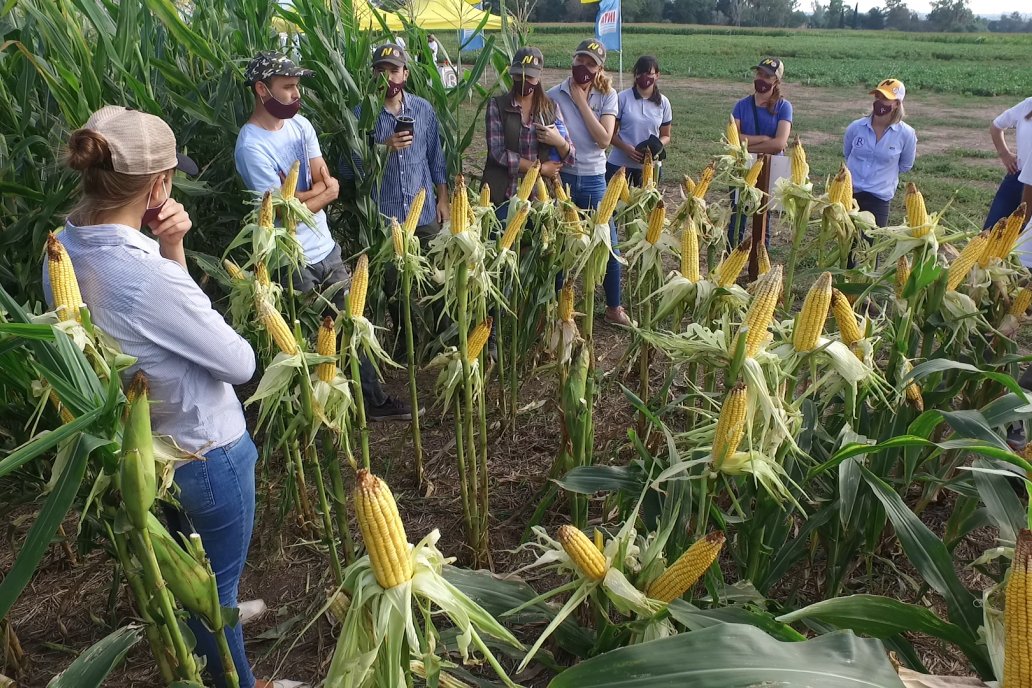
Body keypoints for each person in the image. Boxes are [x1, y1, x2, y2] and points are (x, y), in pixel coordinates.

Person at [45, 106, 305, 688]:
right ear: (159, 185)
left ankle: (214, 625)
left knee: (190, 575)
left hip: (147, 456)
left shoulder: (61, 247)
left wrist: (171, 244)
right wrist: (171, 258)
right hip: (207, 453)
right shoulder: (146, 276)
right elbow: (239, 362)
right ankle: (238, 673)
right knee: (214, 589)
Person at [235, 50, 412, 421]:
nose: (296, 93)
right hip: (291, 260)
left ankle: (372, 401)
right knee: (310, 337)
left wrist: (305, 195)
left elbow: (323, 178)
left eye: (297, 85)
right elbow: (280, 213)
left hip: (326, 249)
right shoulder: (251, 146)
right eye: (288, 86)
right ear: (262, 90)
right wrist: (320, 195)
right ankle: (316, 412)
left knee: (353, 324)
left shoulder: (301, 125)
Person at [350, 42, 449, 344]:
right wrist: (384, 148)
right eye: (381, 71)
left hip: (425, 212)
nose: (388, 77)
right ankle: (407, 342)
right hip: (387, 219)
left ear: (405, 73)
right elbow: (349, 167)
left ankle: (441, 339)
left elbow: (436, 157)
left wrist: (443, 198)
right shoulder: (361, 115)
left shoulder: (423, 109)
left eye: (394, 70)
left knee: (436, 278)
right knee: (395, 287)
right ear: (373, 76)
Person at [547, 39, 630, 327]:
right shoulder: (553, 95)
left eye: (590, 63)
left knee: (609, 245)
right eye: (580, 60)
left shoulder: (608, 96)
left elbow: (604, 139)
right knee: (560, 245)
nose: (583, 67)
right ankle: (557, 307)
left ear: (599, 69)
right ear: (573, 60)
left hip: (595, 178)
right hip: (565, 178)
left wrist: (580, 101)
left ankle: (613, 308)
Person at [483, 46, 574, 210]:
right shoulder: (497, 106)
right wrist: (540, 169)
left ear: (538, 78)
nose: (524, 81)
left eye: (529, 77)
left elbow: (570, 157)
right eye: (519, 75)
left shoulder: (551, 108)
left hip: (542, 198)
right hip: (505, 194)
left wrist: (559, 142)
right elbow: (497, 153)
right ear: (512, 75)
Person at [729, 57, 793, 245]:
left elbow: (779, 144)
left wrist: (747, 146)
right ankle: (732, 255)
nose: (761, 79)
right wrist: (765, 139)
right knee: (737, 217)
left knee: (764, 218)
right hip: (742, 167)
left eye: (767, 76)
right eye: (759, 74)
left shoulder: (784, 107)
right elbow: (733, 138)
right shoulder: (741, 105)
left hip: (770, 168)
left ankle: (761, 258)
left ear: (776, 81)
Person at [843, 79, 917, 228]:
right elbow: (847, 153)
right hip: (849, 194)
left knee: (870, 242)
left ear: (897, 103)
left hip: (879, 200)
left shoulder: (906, 134)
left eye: (885, 98)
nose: (879, 101)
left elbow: (905, 165)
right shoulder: (855, 127)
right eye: (877, 96)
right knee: (846, 240)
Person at [607, 55, 672, 188]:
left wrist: (654, 147)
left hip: (649, 165)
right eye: (640, 73)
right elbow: (610, 134)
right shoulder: (622, 98)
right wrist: (627, 148)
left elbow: (666, 135)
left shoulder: (664, 102)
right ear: (635, 75)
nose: (644, 77)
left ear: (657, 75)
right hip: (620, 162)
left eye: (649, 73)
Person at [985, 95, 1032, 229]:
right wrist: (1004, 154)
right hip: (1017, 178)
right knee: (991, 231)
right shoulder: (1027, 105)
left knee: (1025, 234)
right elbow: (996, 126)